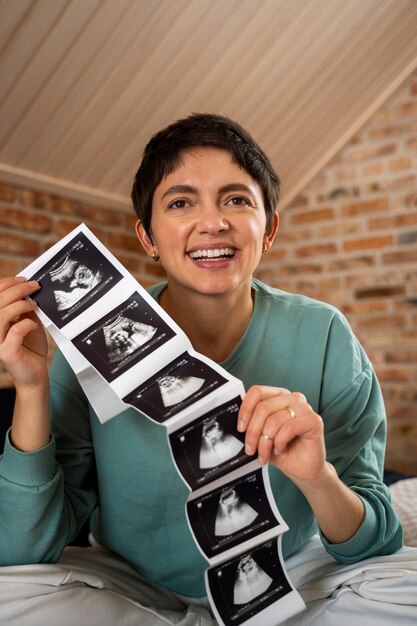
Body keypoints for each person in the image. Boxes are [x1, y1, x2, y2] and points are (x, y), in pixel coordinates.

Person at [0, 113, 416, 626]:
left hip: (291, 568)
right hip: (136, 583)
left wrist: (318, 478)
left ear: (269, 229)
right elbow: (22, 549)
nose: (213, 222)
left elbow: (375, 540)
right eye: (180, 203)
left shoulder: (325, 334)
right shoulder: (86, 351)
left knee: (405, 591)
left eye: (237, 200)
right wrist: (30, 386)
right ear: (148, 237)